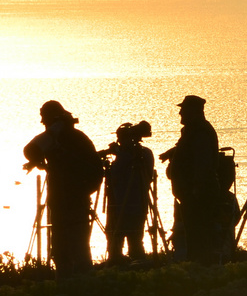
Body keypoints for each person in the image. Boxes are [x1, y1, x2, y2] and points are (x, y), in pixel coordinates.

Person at [23, 100, 101, 277]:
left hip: (68, 202)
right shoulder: (77, 138)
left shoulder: (60, 139)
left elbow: (31, 149)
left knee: (69, 250)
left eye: (45, 119)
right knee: (75, 248)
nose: (43, 123)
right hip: (70, 200)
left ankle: (72, 285)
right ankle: (84, 284)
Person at [162, 94, 227, 262]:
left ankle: (202, 270)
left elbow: (202, 162)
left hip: (198, 195)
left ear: (193, 111)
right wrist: (173, 153)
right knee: (194, 234)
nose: (180, 113)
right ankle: (199, 267)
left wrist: (196, 190)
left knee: (199, 236)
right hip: (192, 194)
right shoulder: (194, 130)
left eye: (183, 109)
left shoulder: (200, 131)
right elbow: (191, 152)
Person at [104, 121, 155, 261]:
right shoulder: (146, 153)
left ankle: (117, 260)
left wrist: (120, 154)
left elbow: (116, 174)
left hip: (122, 203)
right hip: (140, 202)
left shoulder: (128, 156)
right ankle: (137, 259)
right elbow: (149, 176)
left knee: (117, 234)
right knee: (136, 236)